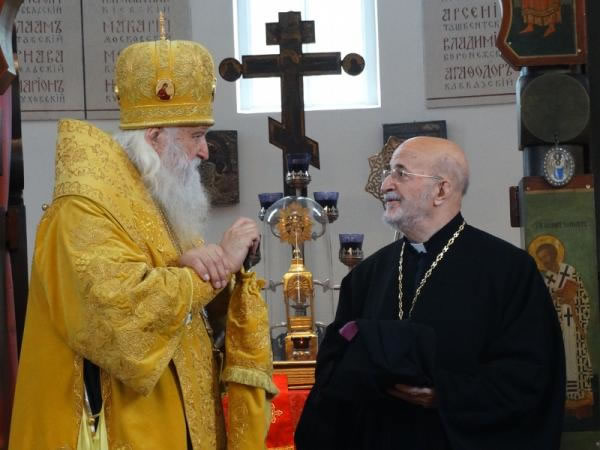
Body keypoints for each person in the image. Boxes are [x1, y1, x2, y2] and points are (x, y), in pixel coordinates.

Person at [9, 37, 273, 449]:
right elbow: (119, 318)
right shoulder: (83, 208)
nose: (205, 151)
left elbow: (188, 304)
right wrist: (217, 262)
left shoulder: (155, 199)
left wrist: (229, 278)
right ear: (155, 137)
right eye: (197, 135)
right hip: (114, 426)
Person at [295, 136, 566, 449]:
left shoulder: (509, 270)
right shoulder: (367, 275)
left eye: (401, 173)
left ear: (442, 190)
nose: (385, 185)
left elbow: (531, 377)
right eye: (387, 173)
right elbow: (333, 369)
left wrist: (445, 394)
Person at [536, 242, 594, 418]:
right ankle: (565, 401)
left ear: (554, 254)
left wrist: (571, 300)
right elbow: (546, 306)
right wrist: (555, 299)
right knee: (562, 358)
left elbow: (582, 296)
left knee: (576, 357)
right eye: (542, 259)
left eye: (547, 256)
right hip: (560, 326)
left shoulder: (569, 271)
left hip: (574, 323)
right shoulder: (547, 279)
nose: (545, 261)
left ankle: (582, 403)